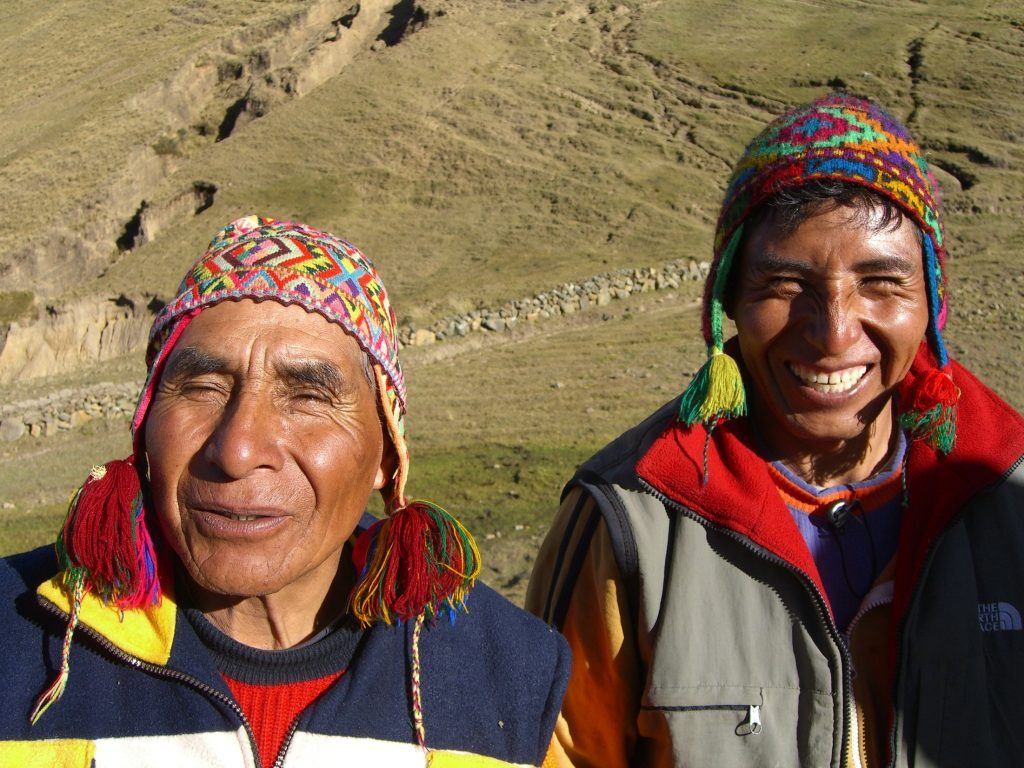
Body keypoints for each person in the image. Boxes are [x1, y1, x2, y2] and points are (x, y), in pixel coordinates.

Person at [526, 93, 1024, 767]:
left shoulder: (1007, 496)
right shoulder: (627, 523)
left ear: (930, 302)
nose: (834, 333)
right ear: (727, 300)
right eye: (787, 285)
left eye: (882, 283)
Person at [1, 216, 569, 767]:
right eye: (201, 386)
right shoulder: (18, 635)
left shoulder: (509, 679)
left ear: (386, 454)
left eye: (308, 398)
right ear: (146, 424)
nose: (238, 449)